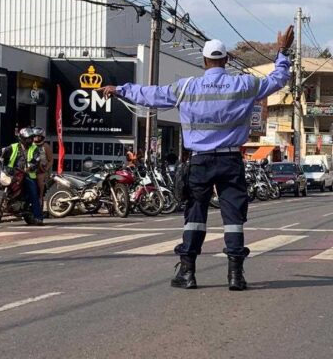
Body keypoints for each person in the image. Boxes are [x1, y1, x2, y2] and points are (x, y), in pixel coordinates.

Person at [98, 25, 294, 291]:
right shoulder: (244, 84)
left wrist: (120, 89)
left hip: (200, 161)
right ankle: (236, 275)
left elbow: (151, 94)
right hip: (230, 161)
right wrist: (282, 52)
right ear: (225, 61)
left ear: (204, 61)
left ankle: (187, 273)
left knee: (195, 215)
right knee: (233, 218)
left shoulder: (186, 87)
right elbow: (278, 79)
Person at [0, 127, 44, 224]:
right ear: (22, 138)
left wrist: (30, 167)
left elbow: (37, 159)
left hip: (27, 175)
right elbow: (3, 151)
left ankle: (38, 217)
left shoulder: (34, 148)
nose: (30, 140)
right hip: (11, 172)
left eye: (31, 138)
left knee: (33, 194)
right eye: (28, 138)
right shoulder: (14, 146)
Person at [32, 127, 53, 207]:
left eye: (39, 136)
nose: (36, 138)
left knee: (40, 183)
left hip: (41, 171)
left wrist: (46, 168)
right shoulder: (30, 145)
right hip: (30, 169)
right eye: (35, 136)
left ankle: (40, 199)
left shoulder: (45, 146)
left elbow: (50, 160)